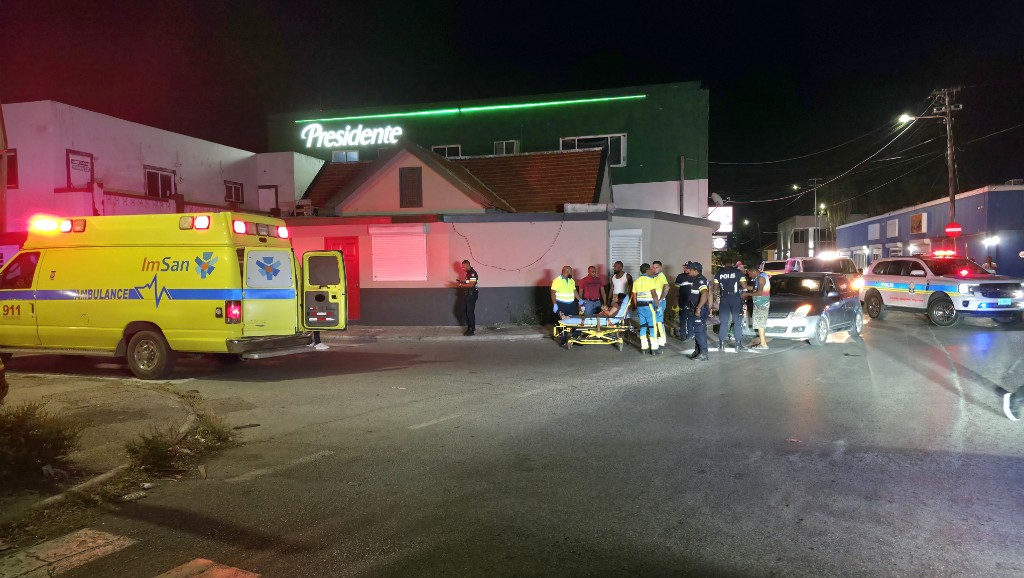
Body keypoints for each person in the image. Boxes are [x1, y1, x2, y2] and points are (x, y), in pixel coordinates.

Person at [713, 261, 749, 352]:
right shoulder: (738, 272)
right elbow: (744, 286)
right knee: (737, 322)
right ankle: (738, 345)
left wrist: (716, 298)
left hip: (724, 299)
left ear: (724, 264)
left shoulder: (719, 273)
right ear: (732, 264)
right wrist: (744, 294)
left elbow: (715, 289)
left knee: (723, 322)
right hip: (735, 298)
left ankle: (721, 345)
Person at [632, 263, 661, 355]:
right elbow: (654, 294)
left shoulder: (636, 282)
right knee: (652, 327)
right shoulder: (650, 280)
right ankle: (654, 348)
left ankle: (644, 348)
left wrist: (636, 306)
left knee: (643, 326)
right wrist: (658, 305)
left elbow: (634, 297)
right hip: (649, 307)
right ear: (647, 270)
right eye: (650, 269)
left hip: (640, 307)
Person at [687, 262, 710, 361]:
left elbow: (705, 293)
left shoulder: (700, 280)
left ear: (695, 270)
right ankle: (698, 351)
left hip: (699, 310)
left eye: (690, 269)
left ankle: (704, 353)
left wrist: (698, 308)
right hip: (695, 309)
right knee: (697, 331)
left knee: (700, 331)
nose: (688, 271)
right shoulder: (696, 279)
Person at [744, 264, 771, 349]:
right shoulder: (759, 277)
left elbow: (759, 293)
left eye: (750, 274)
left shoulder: (761, 278)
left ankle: (763, 344)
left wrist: (747, 294)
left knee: (760, 324)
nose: (750, 276)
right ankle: (763, 343)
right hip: (759, 304)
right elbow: (754, 288)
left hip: (762, 304)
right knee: (760, 324)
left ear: (754, 271)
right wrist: (744, 286)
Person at [455, 259, 479, 336]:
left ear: (468, 265)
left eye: (464, 267)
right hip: (467, 295)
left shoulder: (473, 273)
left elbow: (472, 285)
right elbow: (469, 282)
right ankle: (471, 326)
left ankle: (471, 329)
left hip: (472, 295)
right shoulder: (468, 273)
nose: (463, 268)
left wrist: (461, 285)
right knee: (463, 310)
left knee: (469, 312)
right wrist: (462, 282)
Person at [651, 260, 670, 348]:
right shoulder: (653, 277)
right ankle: (657, 339)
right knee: (655, 322)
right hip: (654, 302)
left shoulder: (661, 276)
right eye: (653, 267)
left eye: (656, 267)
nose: (654, 269)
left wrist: (661, 299)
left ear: (660, 268)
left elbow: (667, 287)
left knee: (659, 322)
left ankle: (662, 342)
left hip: (659, 303)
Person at [675, 262, 695, 341]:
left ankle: (690, 334)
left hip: (692, 302)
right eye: (684, 267)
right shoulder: (680, 277)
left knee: (691, 318)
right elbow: (676, 290)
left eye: (687, 267)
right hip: (682, 301)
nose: (685, 269)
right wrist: (675, 301)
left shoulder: (695, 277)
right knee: (683, 318)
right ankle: (682, 335)